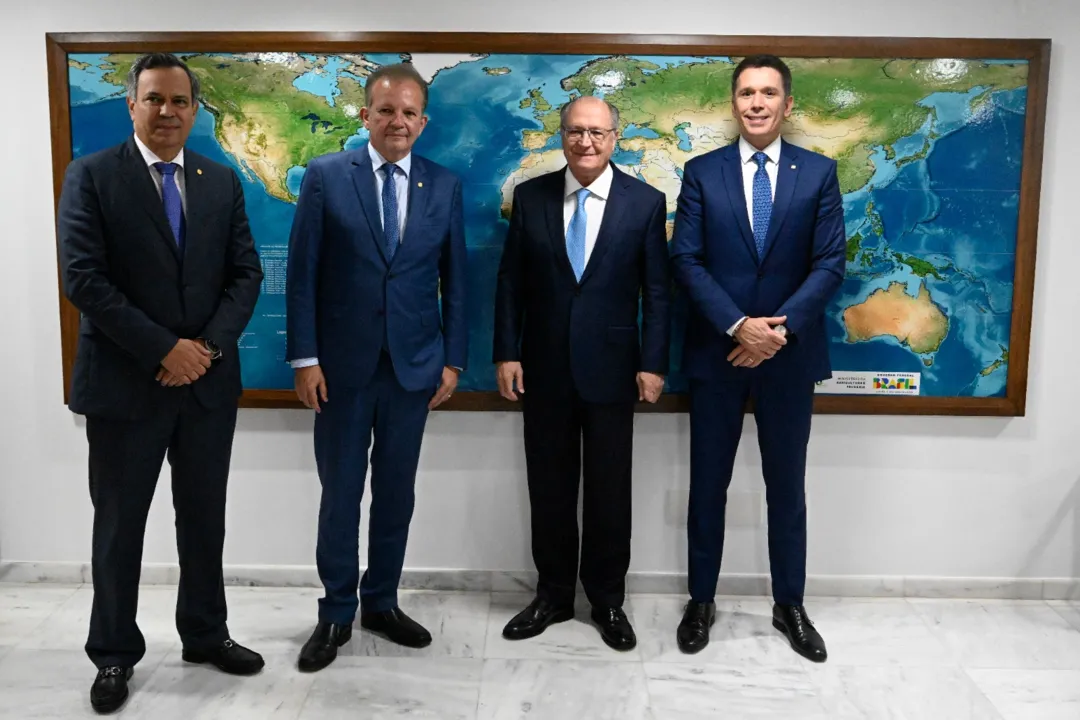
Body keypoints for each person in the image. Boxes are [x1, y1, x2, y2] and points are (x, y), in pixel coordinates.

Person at [57, 52, 265, 714]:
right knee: (120, 527)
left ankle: (205, 634)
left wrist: (202, 349)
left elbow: (246, 275)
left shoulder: (220, 180)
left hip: (205, 386)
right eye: (154, 100)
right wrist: (163, 349)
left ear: (196, 108)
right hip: (126, 387)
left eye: (180, 101)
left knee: (204, 521)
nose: (168, 111)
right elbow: (84, 279)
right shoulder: (90, 176)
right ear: (132, 106)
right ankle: (114, 653)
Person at [286, 62, 468, 672]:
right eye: (386, 110)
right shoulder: (327, 176)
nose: (398, 121)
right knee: (340, 495)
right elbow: (303, 273)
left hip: (413, 370)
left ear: (423, 122)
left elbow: (457, 282)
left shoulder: (443, 185)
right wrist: (305, 358)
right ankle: (335, 611)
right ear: (364, 115)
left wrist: (453, 361)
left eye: (409, 112)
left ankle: (380, 602)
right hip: (339, 369)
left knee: (396, 495)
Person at [669, 54, 846, 662]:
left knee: (786, 488)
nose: (757, 103)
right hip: (717, 356)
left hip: (790, 361)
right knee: (707, 486)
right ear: (734, 101)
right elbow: (685, 260)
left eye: (769, 92)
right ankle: (700, 601)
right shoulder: (701, 173)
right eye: (746, 92)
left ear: (787, 103)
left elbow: (829, 264)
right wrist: (740, 327)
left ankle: (789, 604)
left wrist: (779, 331)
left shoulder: (819, 173)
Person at [493, 96, 671, 651]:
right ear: (562, 137)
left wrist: (653, 363)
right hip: (542, 368)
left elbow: (658, 294)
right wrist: (506, 352)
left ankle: (607, 601)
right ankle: (551, 595)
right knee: (548, 487)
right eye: (575, 132)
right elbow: (510, 285)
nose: (585, 142)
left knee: (609, 491)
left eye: (597, 132)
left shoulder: (645, 202)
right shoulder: (531, 197)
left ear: (615, 137)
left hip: (615, 371)